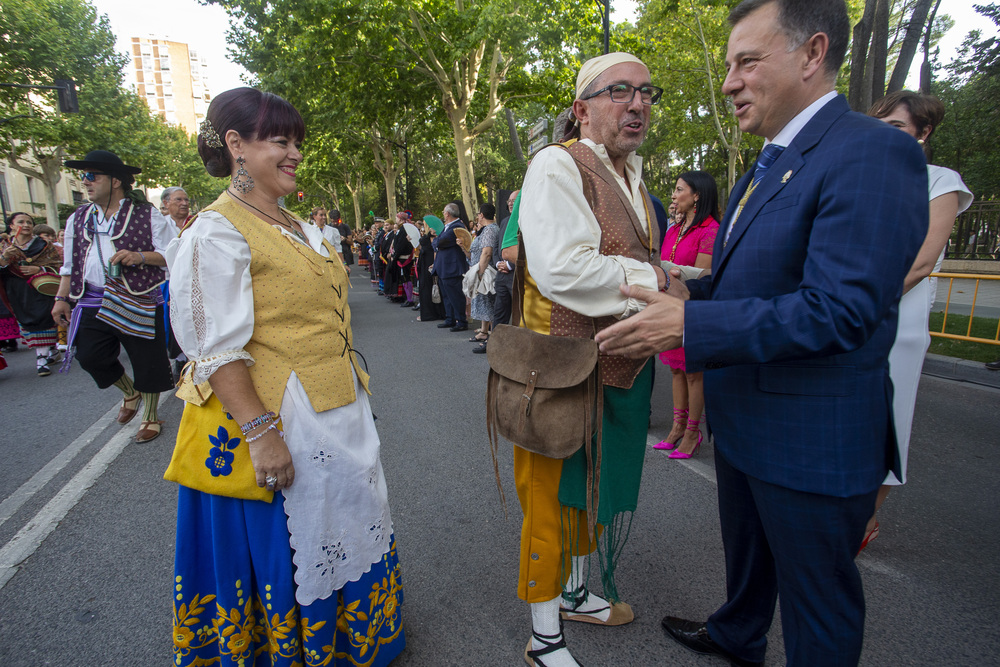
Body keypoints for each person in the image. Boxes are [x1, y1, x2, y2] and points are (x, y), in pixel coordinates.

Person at [593, 1, 928, 665]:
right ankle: (738, 632)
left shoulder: (874, 151)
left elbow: (841, 309)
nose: (728, 82)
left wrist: (690, 321)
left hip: (812, 441)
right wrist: (683, 289)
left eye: (747, 61)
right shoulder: (769, 161)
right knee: (748, 564)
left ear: (812, 54)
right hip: (745, 426)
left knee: (818, 611)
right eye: (728, 66)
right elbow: (756, 282)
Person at [164, 87, 404, 667]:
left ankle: (350, 639)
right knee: (302, 535)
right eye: (280, 141)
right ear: (236, 146)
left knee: (349, 519)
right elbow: (215, 348)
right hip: (275, 418)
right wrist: (261, 433)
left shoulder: (296, 223)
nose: (295, 152)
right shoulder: (215, 231)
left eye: (297, 141)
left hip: (332, 407)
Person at [511, 52, 667, 667]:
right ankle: (543, 635)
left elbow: (616, 262)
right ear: (581, 109)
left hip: (611, 366)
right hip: (559, 369)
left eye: (647, 93)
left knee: (590, 488)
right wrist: (654, 276)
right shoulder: (555, 163)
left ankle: (575, 592)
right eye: (619, 92)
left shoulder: (632, 175)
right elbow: (563, 271)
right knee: (550, 498)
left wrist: (671, 276)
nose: (637, 104)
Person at [859, 90, 973, 550]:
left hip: (895, 322)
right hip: (847, 317)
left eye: (898, 129)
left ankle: (865, 520)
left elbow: (923, 262)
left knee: (889, 421)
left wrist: (861, 304)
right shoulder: (861, 179)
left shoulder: (940, 181)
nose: (885, 138)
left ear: (923, 133)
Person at [52, 151, 177, 442]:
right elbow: (70, 263)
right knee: (89, 356)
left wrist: (140, 256)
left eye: (91, 176)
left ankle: (150, 415)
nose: (85, 182)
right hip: (92, 297)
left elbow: (173, 255)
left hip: (138, 297)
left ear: (116, 180)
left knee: (147, 360)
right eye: (84, 177)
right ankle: (129, 392)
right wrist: (61, 298)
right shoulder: (78, 217)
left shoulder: (147, 214)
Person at [653, 172, 720, 456]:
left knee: (693, 372)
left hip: (693, 308)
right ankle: (677, 427)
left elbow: (703, 276)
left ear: (697, 196)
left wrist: (672, 271)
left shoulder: (710, 230)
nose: (673, 195)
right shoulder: (673, 229)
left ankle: (693, 432)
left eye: (679, 189)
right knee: (676, 369)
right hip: (669, 306)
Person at [0, 212, 63, 375]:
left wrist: (40, 269)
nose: (26, 225)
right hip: (17, 289)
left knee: (43, 317)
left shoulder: (43, 245)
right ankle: (52, 352)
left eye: (29, 222)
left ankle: (41, 361)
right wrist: (4, 258)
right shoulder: (5, 246)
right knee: (27, 319)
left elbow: (58, 264)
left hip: (40, 286)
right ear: (12, 226)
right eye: (21, 222)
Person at [433, 202, 470, 332]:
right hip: (444, 266)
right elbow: (438, 242)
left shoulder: (457, 227)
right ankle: (450, 318)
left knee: (455, 295)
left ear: (447, 214)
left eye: (444, 212)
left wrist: (436, 241)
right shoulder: (447, 226)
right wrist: (437, 241)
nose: (443, 214)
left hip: (452, 267)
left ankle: (461, 321)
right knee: (447, 295)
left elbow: (441, 242)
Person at [469, 203, 498, 352]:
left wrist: (479, 273)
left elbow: (487, 253)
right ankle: (485, 333)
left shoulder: (489, 230)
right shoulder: (488, 230)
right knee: (486, 304)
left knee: (490, 304)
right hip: (484, 271)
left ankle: (493, 341)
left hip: (486, 273)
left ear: (481, 215)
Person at [492, 190, 519, 332]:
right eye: (509, 201)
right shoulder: (504, 221)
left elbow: (527, 249)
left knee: (519, 314)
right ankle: (494, 343)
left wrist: (510, 264)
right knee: (499, 312)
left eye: (514, 201)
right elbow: (497, 245)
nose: (510, 203)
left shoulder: (526, 222)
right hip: (501, 275)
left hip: (517, 275)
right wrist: (498, 264)